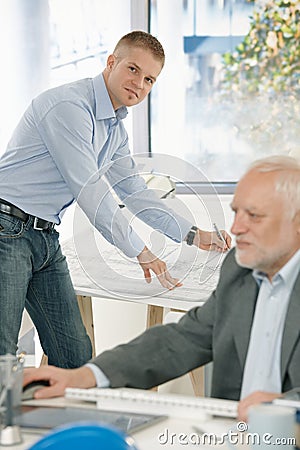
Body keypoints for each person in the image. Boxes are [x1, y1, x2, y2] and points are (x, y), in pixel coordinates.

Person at [0, 30, 230, 367]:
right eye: (133, 69)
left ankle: (56, 418)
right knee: (3, 354)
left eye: (149, 79)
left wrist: (195, 235)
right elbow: (90, 190)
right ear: (112, 62)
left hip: (44, 236)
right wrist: (141, 250)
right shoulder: (69, 107)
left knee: (75, 354)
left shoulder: (114, 131)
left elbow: (134, 192)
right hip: (7, 229)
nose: (139, 84)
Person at [23, 155, 300, 421]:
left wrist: (285, 408)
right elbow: (183, 340)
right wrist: (85, 376)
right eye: (236, 212)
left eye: (254, 215)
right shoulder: (239, 272)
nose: (236, 227)